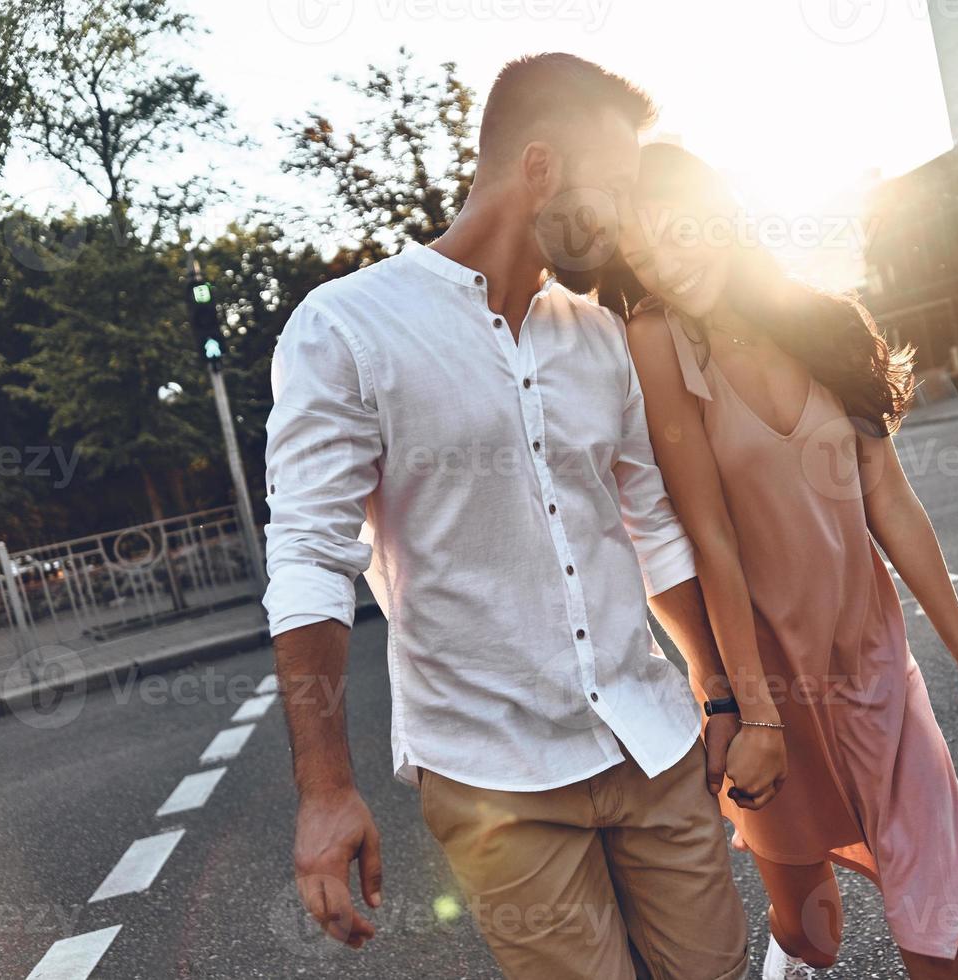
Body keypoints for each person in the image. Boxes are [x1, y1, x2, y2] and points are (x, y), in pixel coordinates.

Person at [262, 56, 784, 980]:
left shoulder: (597, 335)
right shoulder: (346, 329)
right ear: (539, 169)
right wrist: (324, 789)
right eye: (614, 189)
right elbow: (308, 558)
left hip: (648, 740)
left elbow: (653, 527)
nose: (625, 218)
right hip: (493, 774)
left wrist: (722, 696)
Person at [603, 143, 958, 979]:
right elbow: (707, 534)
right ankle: (789, 950)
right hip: (771, 680)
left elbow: (891, 503)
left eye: (675, 235)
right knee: (810, 933)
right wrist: (750, 711)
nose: (666, 266)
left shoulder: (827, 326)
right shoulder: (657, 338)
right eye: (643, 253)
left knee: (939, 922)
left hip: (872, 667)